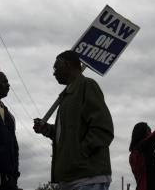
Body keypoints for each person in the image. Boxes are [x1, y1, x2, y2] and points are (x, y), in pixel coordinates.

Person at [33, 51, 113, 190]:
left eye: (56, 68)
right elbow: (67, 134)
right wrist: (46, 129)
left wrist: (79, 155)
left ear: (67, 65)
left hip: (88, 177)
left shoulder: (87, 85)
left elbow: (102, 128)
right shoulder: (66, 96)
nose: (54, 73)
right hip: (70, 178)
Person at [129, 102, 155, 190]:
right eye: (149, 130)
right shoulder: (144, 147)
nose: (151, 133)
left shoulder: (132, 155)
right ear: (143, 133)